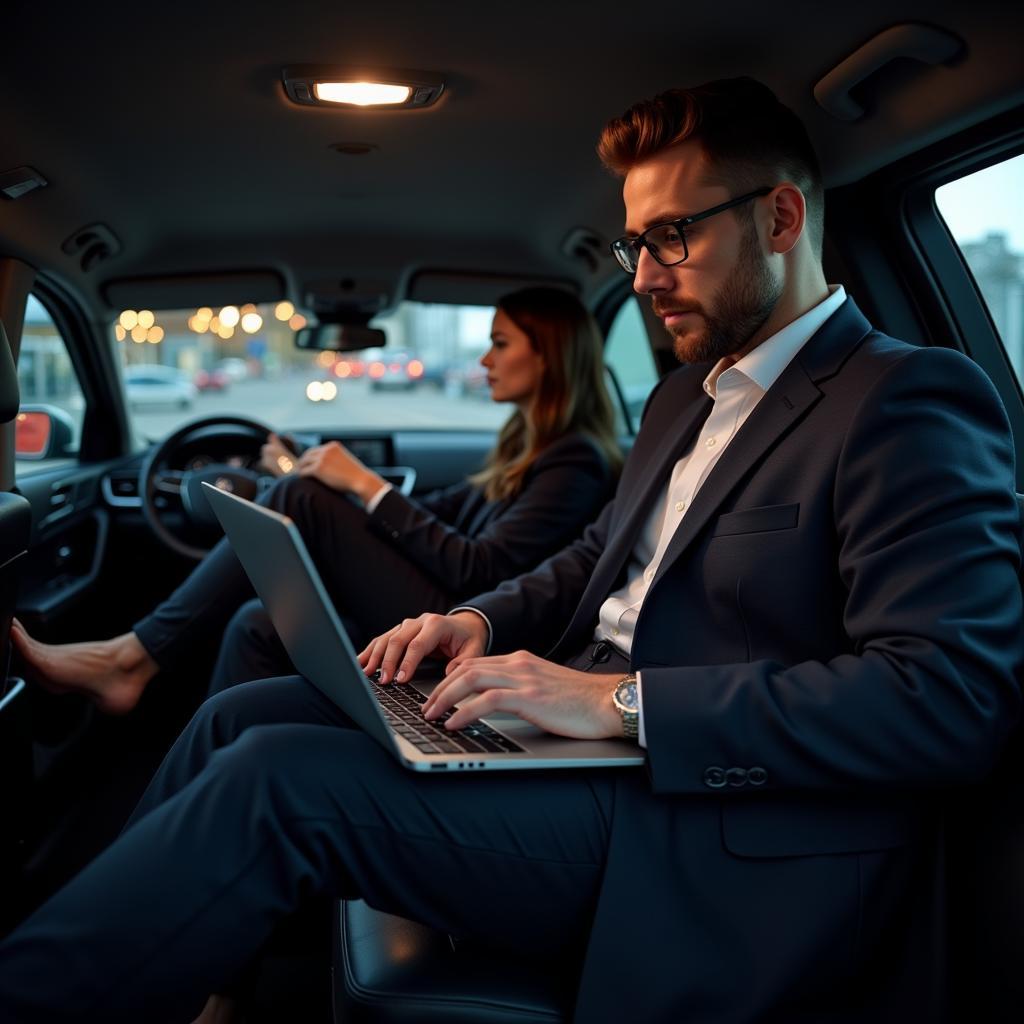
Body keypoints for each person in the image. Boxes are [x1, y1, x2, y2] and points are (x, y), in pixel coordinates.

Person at [0, 77, 1020, 1024]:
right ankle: (189, 980)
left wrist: (615, 703)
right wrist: (479, 618)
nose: (649, 276)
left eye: (671, 236)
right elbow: (594, 559)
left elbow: (948, 697)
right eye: (634, 246)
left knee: (279, 779)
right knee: (240, 716)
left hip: (707, 822)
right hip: (574, 744)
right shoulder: (680, 397)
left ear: (782, 218)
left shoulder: (901, 399)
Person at [11, 286, 620, 711]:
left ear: (551, 356)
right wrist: (319, 466)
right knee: (259, 622)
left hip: (464, 624)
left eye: (501, 343)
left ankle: (131, 659)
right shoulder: (523, 447)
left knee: (299, 495)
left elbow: (478, 568)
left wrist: (356, 483)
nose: (485, 359)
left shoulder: (575, 461)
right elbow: (435, 513)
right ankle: (215, 775)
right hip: (442, 600)